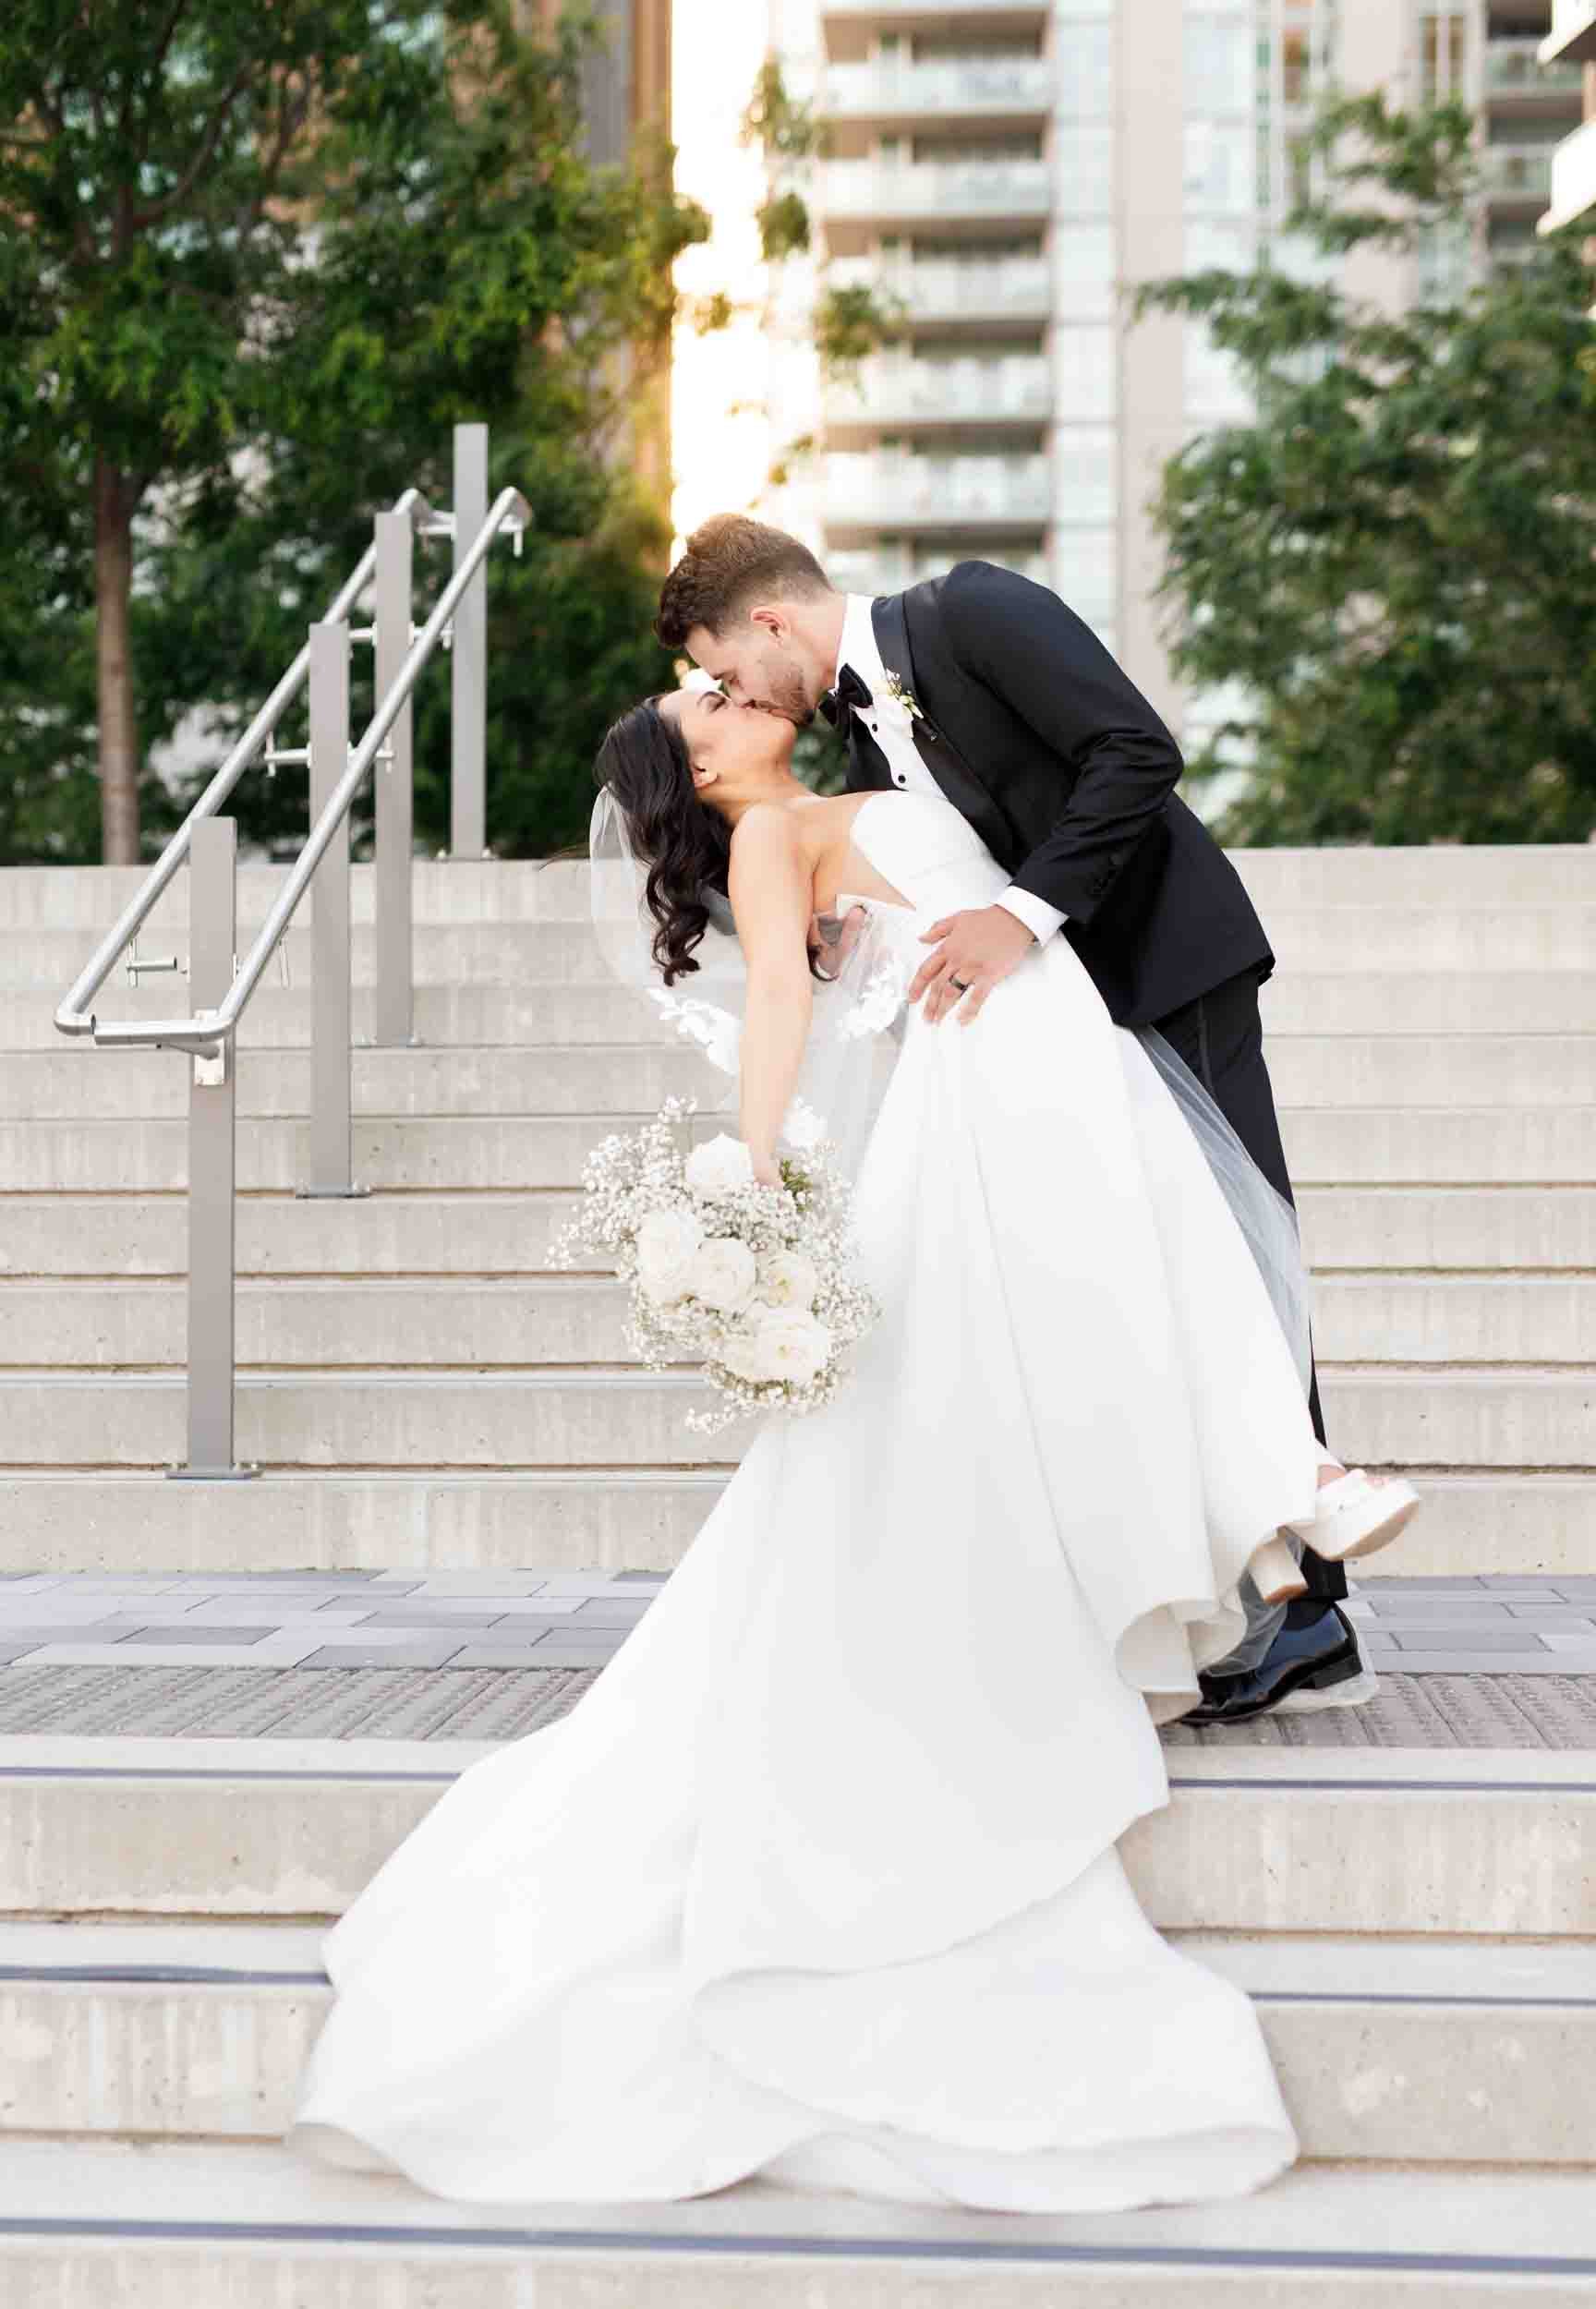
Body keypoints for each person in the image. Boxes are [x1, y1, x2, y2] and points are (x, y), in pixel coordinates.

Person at [292, 677, 1416, 2215]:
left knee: (1145, 1287)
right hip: (986, 1099)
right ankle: (1281, 1502)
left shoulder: (852, 787)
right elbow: (774, 1006)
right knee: (1072, 1327)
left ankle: (1289, 1494)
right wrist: (749, 1192)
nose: (730, 695)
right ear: (702, 762)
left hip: (1061, 1062)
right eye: (703, 701)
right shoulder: (771, 844)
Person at [655, 516, 1421, 1726]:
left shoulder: (969, 611)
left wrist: (1022, 913)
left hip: (1163, 966)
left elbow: (1134, 750)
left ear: (770, 622)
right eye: (717, 696)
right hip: (1049, 1029)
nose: (737, 694)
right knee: (1143, 1270)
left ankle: (1310, 1602)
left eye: (728, 671)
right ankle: (1242, 1576)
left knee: (1228, 1238)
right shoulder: (846, 743)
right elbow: (912, 870)